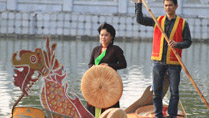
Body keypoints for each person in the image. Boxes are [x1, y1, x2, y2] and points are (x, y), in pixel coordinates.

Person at [135, 0, 192, 118]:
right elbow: (139, 19)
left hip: (174, 63)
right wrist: (139, 3)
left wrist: (177, 44)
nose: (168, 8)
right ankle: (158, 115)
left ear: (176, 6)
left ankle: (172, 115)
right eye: (166, 5)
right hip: (158, 62)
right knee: (156, 92)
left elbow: (188, 42)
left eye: (170, 5)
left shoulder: (183, 23)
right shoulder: (157, 21)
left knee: (174, 93)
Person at [87, 22, 127, 116]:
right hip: (96, 83)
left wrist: (109, 66)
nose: (103, 37)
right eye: (101, 35)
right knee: (92, 105)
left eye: (106, 35)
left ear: (111, 37)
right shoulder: (95, 50)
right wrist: (92, 67)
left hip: (110, 84)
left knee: (109, 107)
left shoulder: (115, 49)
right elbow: (90, 63)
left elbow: (123, 64)